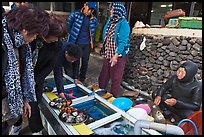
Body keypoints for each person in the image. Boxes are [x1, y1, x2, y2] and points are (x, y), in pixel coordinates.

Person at [9, 14, 82, 135]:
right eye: (56, 37)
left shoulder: (57, 45)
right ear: (48, 32)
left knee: (33, 103)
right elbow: (22, 60)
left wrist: (59, 90)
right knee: (19, 104)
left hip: (39, 76)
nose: (57, 40)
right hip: (23, 75)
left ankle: (36, 130)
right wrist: (26, 78)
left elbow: (53, 66)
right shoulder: (33, 40)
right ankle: (17, 125)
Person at [2, 6, 50, 135]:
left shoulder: (22, 45)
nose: (35, 38)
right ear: (24, 29)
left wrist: (24, 99)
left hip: (7, 112)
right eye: (35, 34)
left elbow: (22, 75)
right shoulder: (4, 43)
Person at [98, 2, 130, 98]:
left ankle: (113, 98)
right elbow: (106, 36)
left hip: (118, 56)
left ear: (117, 10)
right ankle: (100, 93)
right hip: (108, 53)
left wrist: (116, 56)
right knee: (104, 76)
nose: (110, 11)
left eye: (112, 9)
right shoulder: (110, 21)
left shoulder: (124, 24)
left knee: (116, 78)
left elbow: (123, 42)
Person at [67, 2, 98, 84]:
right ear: (85, 5)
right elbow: (68, 26)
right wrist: (72, 37)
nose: (90, 12)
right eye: (89, 9)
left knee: (85, 62)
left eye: (92, 10)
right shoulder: (75, 15)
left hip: (87, 44)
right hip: (77, 43)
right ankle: (74, 78)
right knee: (76, 61)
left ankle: (82, 79)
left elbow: (93, 31)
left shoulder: (94, 20)